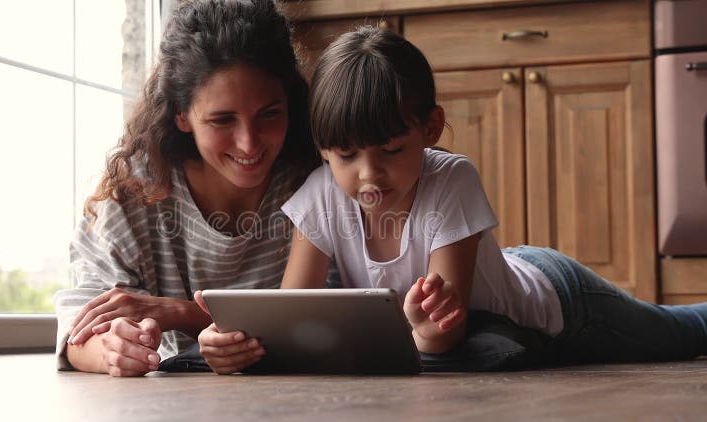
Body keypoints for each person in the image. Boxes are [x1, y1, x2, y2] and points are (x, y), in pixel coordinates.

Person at [195, 26, 707, 374]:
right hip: (497, 283)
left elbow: (445, 333)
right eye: (346, 155)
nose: (369, 173)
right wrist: (235, 346)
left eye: (392, 149)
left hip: (557, 299)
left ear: (430, 128)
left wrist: (427, 329)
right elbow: (294, 319)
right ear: (323, 148)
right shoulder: (319, 198)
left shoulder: (451, 179)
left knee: (681, 333)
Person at [54, 0, 321, 377]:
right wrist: (114, 350)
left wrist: (180, 313)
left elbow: (334, 320)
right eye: (222, 119)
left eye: (269, 113)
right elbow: (79, 328)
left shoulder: (316, 180)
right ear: (181, 114)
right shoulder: (135, 191)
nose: (249, 143)